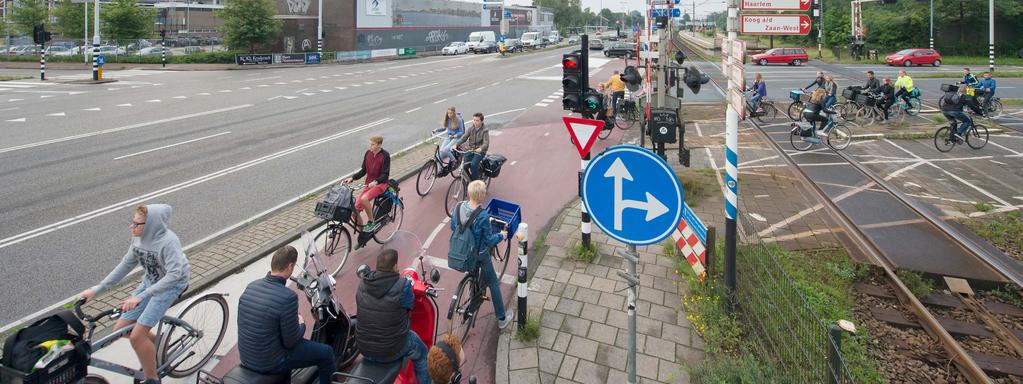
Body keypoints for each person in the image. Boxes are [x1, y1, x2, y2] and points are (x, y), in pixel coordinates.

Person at [77, 204, 190, 384]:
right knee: (120, 331)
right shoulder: (138, 240)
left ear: (151, 224)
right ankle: (158, 342)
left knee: (137, 336)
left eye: (137, 224)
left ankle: (152, 379)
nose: (132, 227)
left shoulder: (169, 242)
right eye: (132, 222)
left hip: (170, 286)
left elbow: (174, 275)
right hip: (150, 283)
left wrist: (140, 296)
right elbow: (126, 265)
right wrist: (96, 289)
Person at [237, 246, 336, 384]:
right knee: (326, 353)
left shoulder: (251, 286)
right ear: (290, 266)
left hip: (247, 356)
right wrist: (301, 323)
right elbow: (291, 341)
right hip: (271, 362)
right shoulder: (288, 297)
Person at [356, 249, 431, 384]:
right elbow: (409, 305)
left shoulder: (363, 284)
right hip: (391, 349)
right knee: (422, 353)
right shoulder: (403, 285)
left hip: (364, 347)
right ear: (395, 267)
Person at [450, 180, 513, 329]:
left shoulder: (459, 207)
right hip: (480, 255)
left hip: (463, 252)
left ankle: (473, 291)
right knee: (493, 282)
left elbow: (454, 227)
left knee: (473, 270)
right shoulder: (483, 216)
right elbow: (489, 240)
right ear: (482, 196)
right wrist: (502, 236)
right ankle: (502, 319)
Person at [344, 135, 390, 233]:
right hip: (369, 184)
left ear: (379, 145)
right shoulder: (368, 153)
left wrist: (376, 181)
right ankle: (363, 234)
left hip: (380, 184)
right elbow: (363, 170)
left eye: (372, 144)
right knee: (354, 212)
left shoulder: (385, 155)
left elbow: (385, 174)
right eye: (370, 144)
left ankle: (371, 221)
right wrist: (352, 178)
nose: (370, 146)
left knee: (364, 199)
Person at [455, 113, 489, 182]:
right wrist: (456, 144)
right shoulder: (471, 128)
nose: (475, 122)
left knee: (473, 165)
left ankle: (476, 182)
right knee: (464, 167)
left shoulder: (485, 130)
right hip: (471, 150)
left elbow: (486, 143)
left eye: (477, 120)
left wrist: (481, 148)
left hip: (480, 151)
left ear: (481, 121)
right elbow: (464, 138)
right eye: (474, 120)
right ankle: (470, 180)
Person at [432, 107, 465, 176]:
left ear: (454, 113)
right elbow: (444, 128)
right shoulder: (448, 119)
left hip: (457, 138)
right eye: (448, 113)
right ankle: (441, 170)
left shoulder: (459, 120)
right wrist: (436, 130)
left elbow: (462, 131)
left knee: (446, 149)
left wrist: (455, 135)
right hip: (450, 137)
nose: (449, 115)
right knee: (439, 155)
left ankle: (454, 161)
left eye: (451, 113)